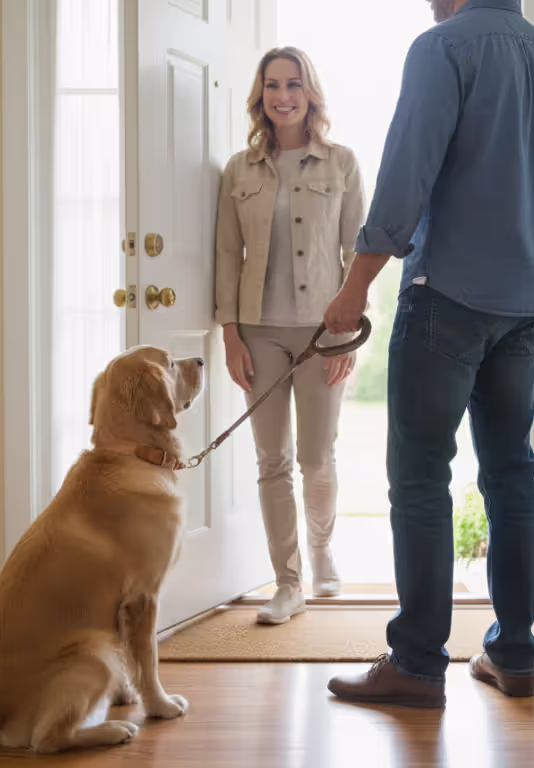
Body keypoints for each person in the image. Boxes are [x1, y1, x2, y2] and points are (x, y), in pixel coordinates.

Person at [323, 0, 534, 706]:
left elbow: (405, 176)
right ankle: (514, 657)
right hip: (527, 301)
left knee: (420, 476)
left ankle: (416, 665)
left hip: (448, 297)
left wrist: (354, 288)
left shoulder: (443, 48)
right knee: (511, 471)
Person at [215, 47, 366, 625]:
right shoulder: (239, 169)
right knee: (270, 460)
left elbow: (358, 250)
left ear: (310, 93)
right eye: (273, 85)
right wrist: (231, 335)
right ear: (261, 96)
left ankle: (323, 548)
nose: (283, 96)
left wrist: (349, 337)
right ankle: (288, 581)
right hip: (259, 333)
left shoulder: (342, 163)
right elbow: (227, 256)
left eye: (294, 85)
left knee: (317, 456)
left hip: (324, 331)